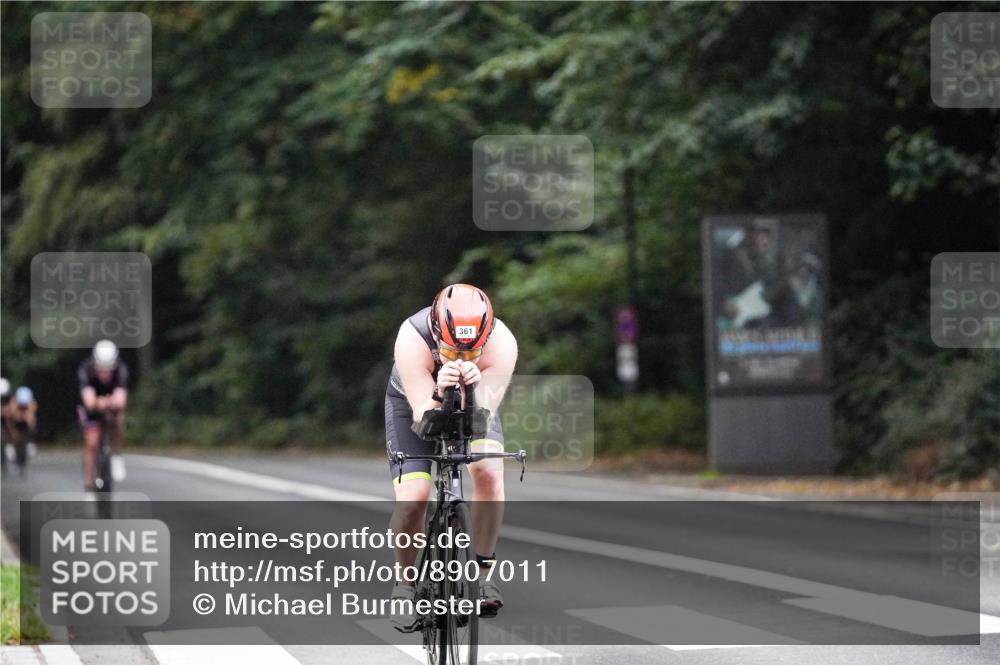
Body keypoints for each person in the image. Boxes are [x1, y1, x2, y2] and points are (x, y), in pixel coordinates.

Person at [385, 284, 517, 618]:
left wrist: (471, 387)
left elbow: (478, 419)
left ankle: (485, 575)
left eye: (471, 353)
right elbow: (423, 419)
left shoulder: (502, 343)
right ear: (435, 331)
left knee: (487, 470)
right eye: (451, 350)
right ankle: (404, 585)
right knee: (413, 497)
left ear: (485, 340)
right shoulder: (412, 338)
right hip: (414, 404)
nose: (459, 358)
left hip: (474, 403)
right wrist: (441, 387)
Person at [77, 340, 129, 490]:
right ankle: (88, 485)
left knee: (118, 418)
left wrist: (104, 402)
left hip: (108, 405)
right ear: (95, 364)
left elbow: (121, 401)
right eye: (101, 369)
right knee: (91, 442)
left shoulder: (121, 369)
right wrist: (103, 402)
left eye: (109, 369)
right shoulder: (85, 369)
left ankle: (116, 456)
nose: (105, 373)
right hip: (89, 408)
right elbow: (89, 403)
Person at [6, 386, 37, 472]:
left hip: (26, 425)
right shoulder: (13, 403)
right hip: (14, 424)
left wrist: (27, 418)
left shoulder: (32, 403)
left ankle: (30, 443)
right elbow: (12, 418)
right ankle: (11, 447)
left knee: (32, 428)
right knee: (14, 435)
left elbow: (31, 419)